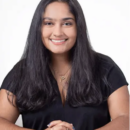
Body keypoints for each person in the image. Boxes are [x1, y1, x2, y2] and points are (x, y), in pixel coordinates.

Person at [0, 0, 129, 130]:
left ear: (78, 27)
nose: (58, 32)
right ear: (38, 27)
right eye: (49, 23)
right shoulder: (22, 71)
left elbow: (125, 118)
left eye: (67, 23)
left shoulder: (105, 68)